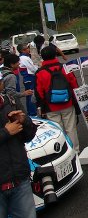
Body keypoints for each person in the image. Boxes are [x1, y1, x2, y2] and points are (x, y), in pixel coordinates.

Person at [0, 80, 38, 218]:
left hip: (20, 180)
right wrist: (5, 132)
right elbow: (7, 132)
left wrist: (23, 121)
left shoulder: (10, 101)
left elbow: (29, 135)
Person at [35, 45, 80, 152]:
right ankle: (75, 151)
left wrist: (41, 107)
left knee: (57, 131)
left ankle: (63, 152)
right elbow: (74, 85)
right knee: (71, 128)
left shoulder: (39, 72)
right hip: (68, 103)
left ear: (42, 57)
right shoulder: (65, 67)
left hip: (50, 107)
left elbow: (39, 93)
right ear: (55, 55)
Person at [17, 43, 38, 116]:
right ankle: (32, 113)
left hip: (27, 78)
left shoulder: (23, 57)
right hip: (29, 78)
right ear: (22, 50)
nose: (28, 49)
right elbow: (32, 68)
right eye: (27, 48)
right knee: (31, 96)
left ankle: (30, 112)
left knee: (29, 96)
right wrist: (38, 69)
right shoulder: (24, 58)